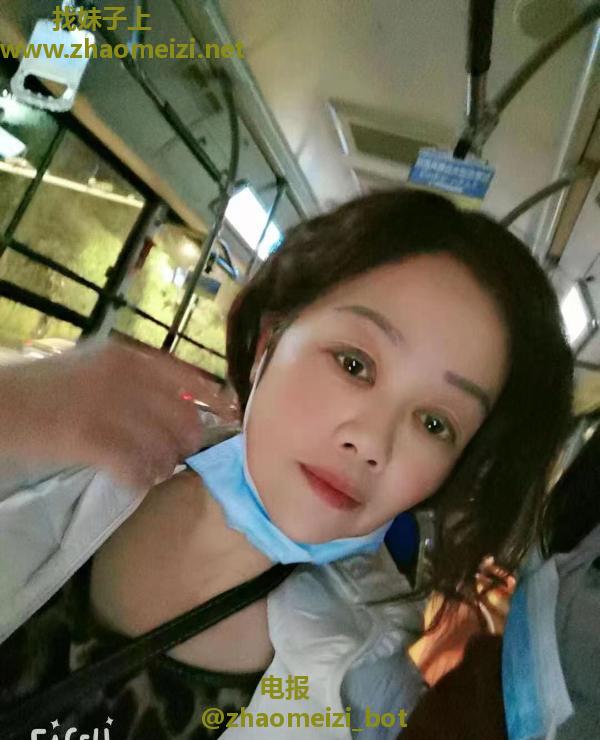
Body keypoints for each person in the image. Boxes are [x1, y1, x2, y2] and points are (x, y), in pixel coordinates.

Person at [0, 188, 573, 739]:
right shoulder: (67, 435)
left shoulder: (366, 689)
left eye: (434, 424)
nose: (371, 441)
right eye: (354, 364)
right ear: (268, 343)